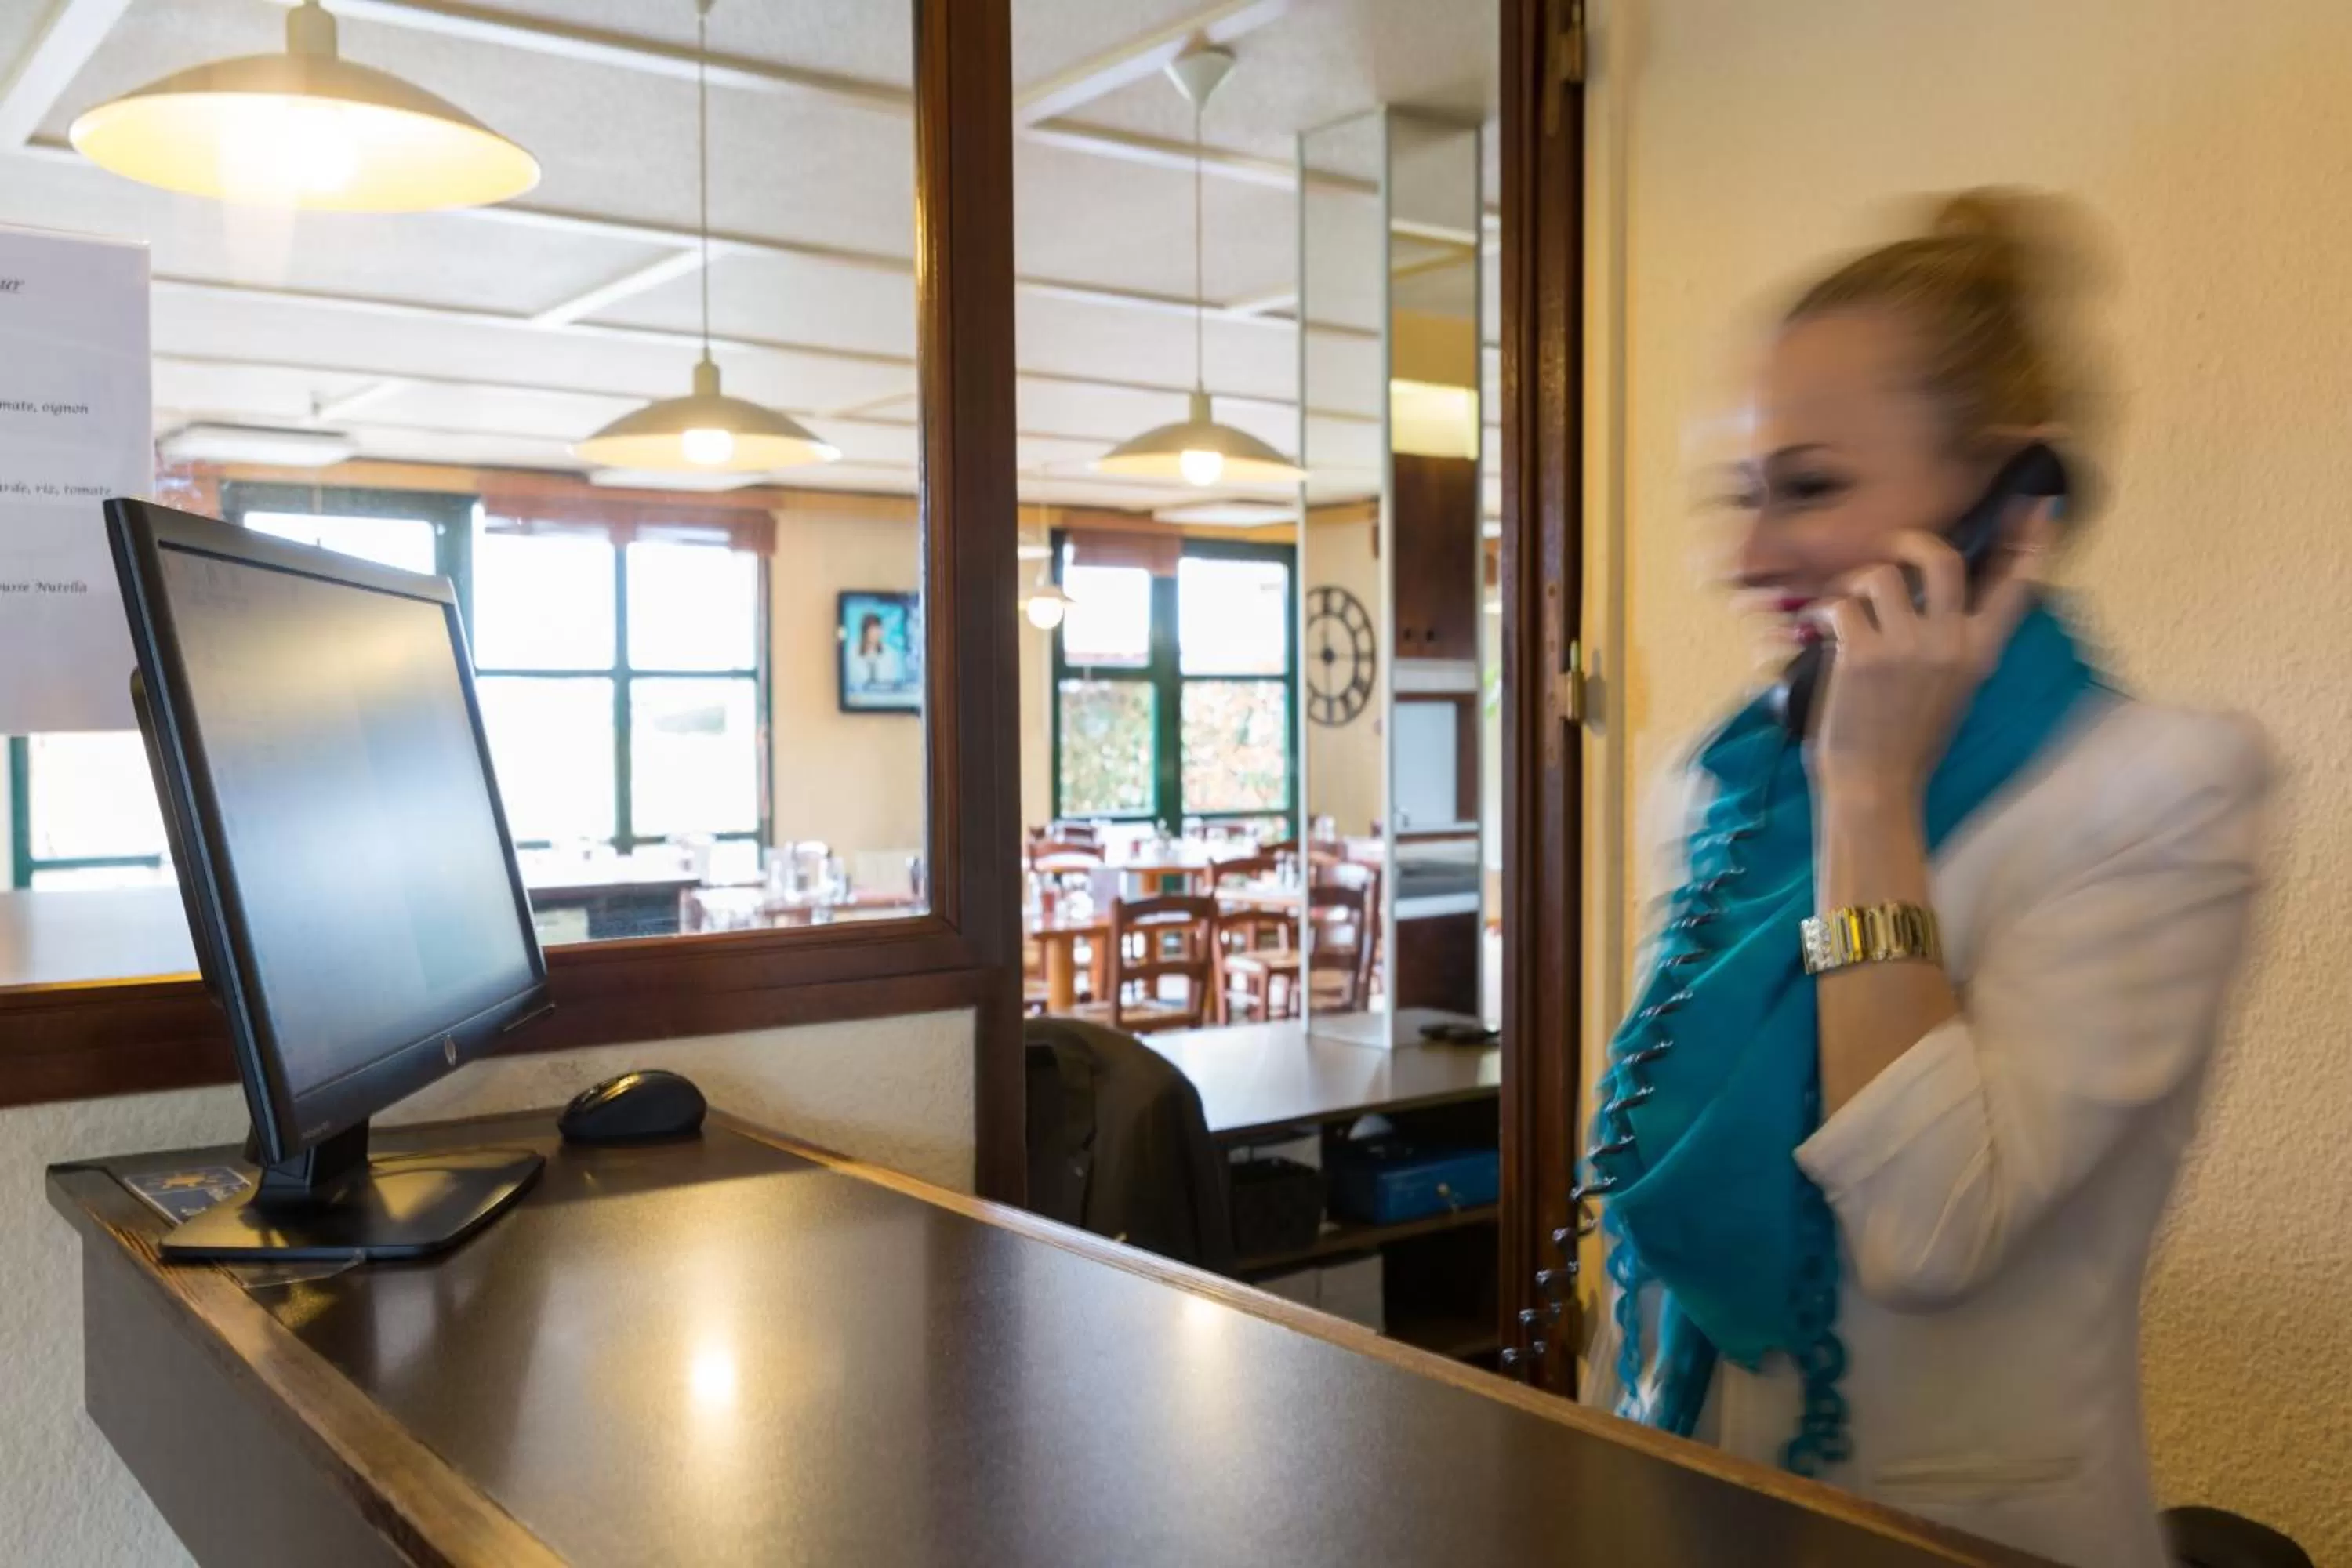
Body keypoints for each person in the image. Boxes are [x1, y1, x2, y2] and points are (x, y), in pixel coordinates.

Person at [1581, 191, 2270, 1568]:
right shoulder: (1724, 790)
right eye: (1742, 493)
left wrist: (1871, 792)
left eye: (1813, 486)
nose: (1746, 558)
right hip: (1690, 1503)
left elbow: (1928, 1234)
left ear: (2012, 509)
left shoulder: (2162, 790)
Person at [848, 610, 904, 692]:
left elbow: (895, 685)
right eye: (873, 630)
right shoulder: (852, 653)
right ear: (865, 632)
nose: (877, 633)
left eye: (879, 629)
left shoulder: (890, 654)